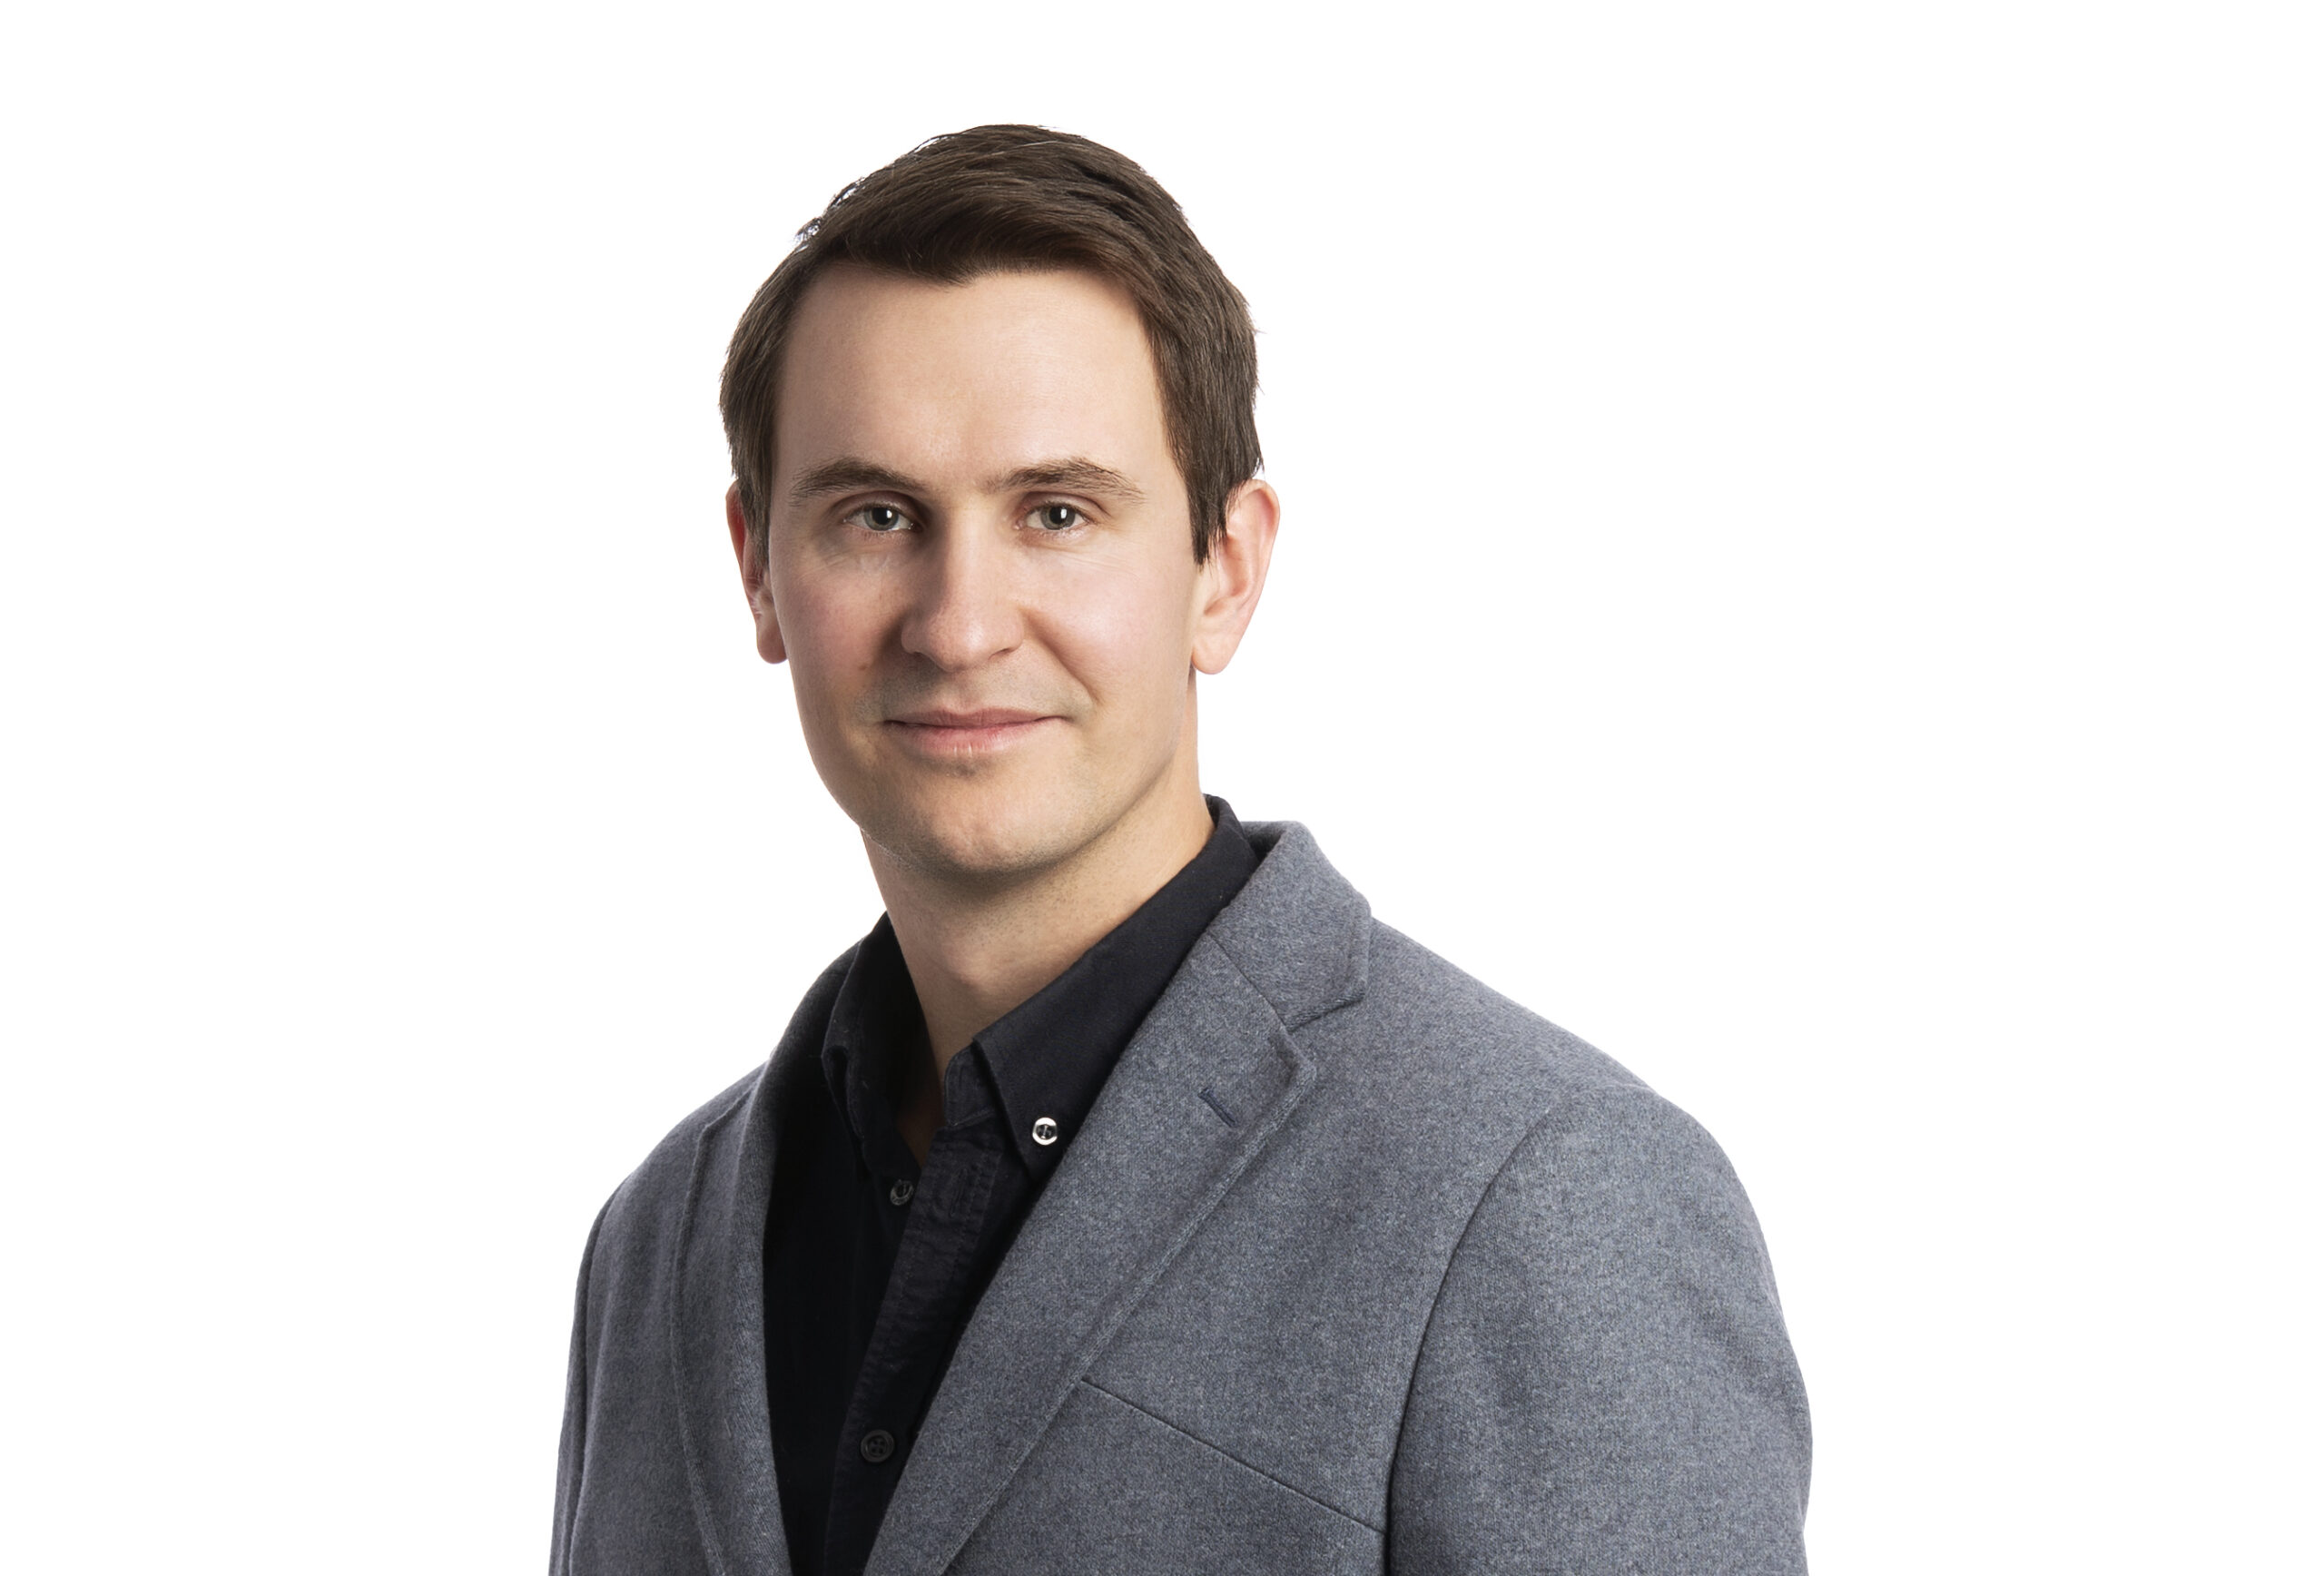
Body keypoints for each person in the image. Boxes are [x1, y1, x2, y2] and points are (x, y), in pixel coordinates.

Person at [549, 124, 1810, 1576]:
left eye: (1058, 513)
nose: (959, 625)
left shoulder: (1546, 1198)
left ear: (1226, 568)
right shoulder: (659, 1240)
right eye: (877, 516)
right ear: (760, 569)